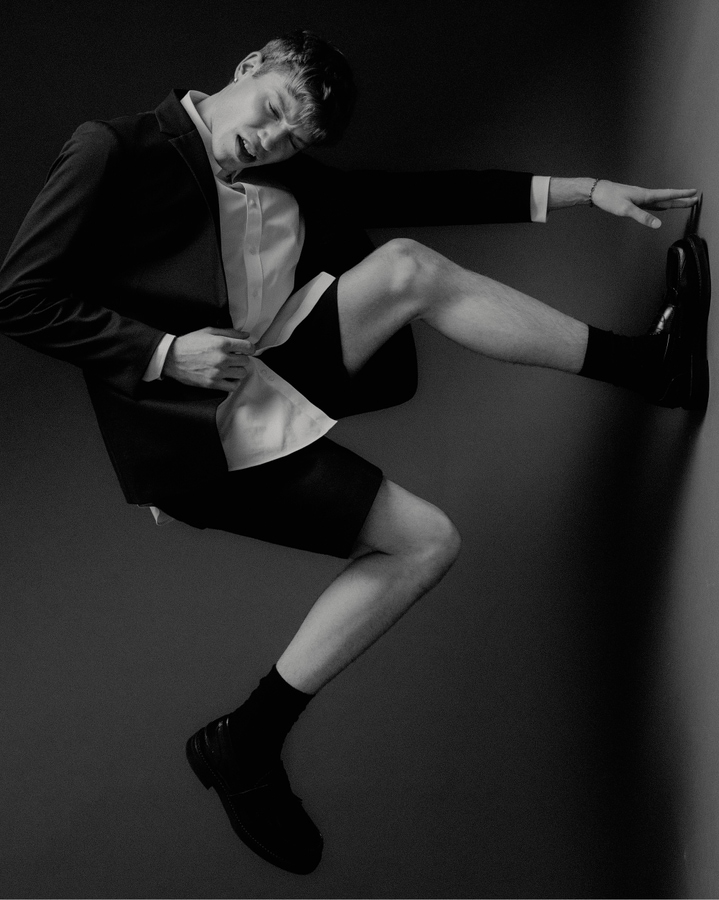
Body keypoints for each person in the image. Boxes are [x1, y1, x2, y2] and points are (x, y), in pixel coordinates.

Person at [0, 29, 708, 876]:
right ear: (248, 68)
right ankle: (246, 739)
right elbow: (21, 295)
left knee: (407, 265)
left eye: (292, 138)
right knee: (425, 541)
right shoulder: (113, 149)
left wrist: (584, 190)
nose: (270, 141)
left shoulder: (282, 173)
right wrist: (163, 352)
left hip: (271, 368)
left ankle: (651, 368)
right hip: (199, 427)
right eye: (271, 113)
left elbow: (416, 194)